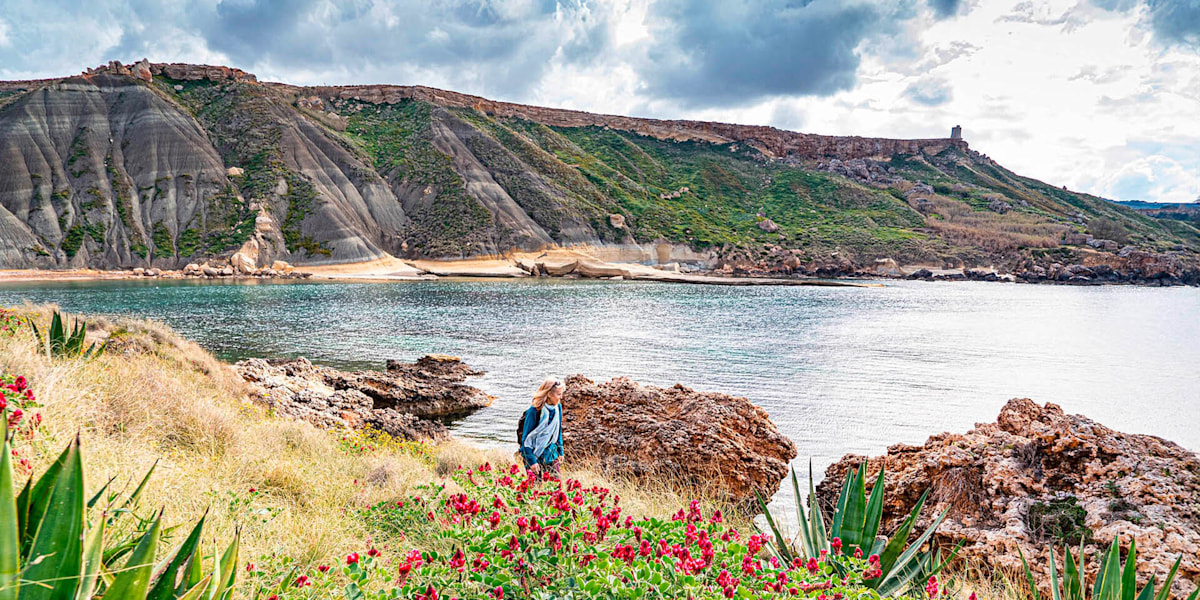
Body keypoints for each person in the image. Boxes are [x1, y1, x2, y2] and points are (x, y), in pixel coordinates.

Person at [518, 378, 563, 477]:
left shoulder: (558, 408)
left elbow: (558, 430)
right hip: (534, 456)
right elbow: (526, 439)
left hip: (551, 455)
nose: (561, 397)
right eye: (558, 394)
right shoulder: (534, 411)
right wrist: (532, 462)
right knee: (536, 489)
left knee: (557, 487)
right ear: (549, 394)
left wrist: (561, 451)